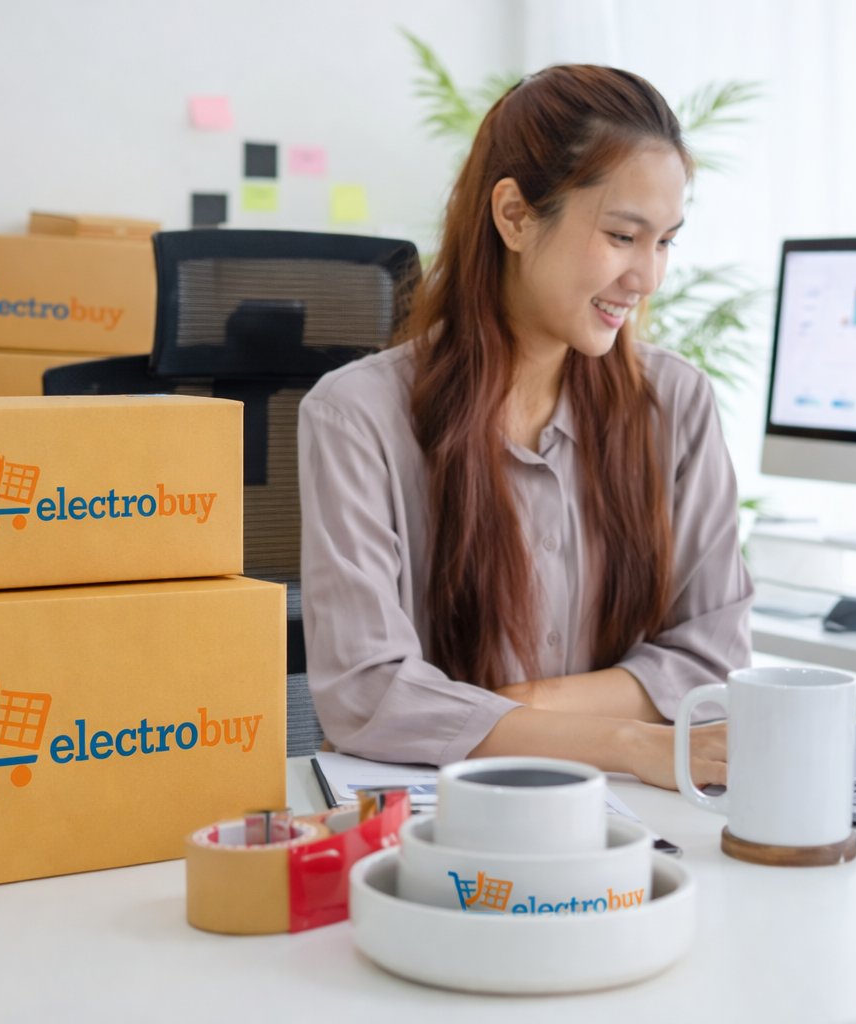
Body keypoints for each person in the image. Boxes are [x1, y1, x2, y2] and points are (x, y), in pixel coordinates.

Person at [298, 64, 752, 791]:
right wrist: (630, 743)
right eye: (622, 235)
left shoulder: (676, 403)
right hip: (439, 817)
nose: (648, 277)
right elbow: (367, 693)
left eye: (665, 241)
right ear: (513, 215)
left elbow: (712, 656)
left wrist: (516, 710)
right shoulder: (356, 416)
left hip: (636, 819)